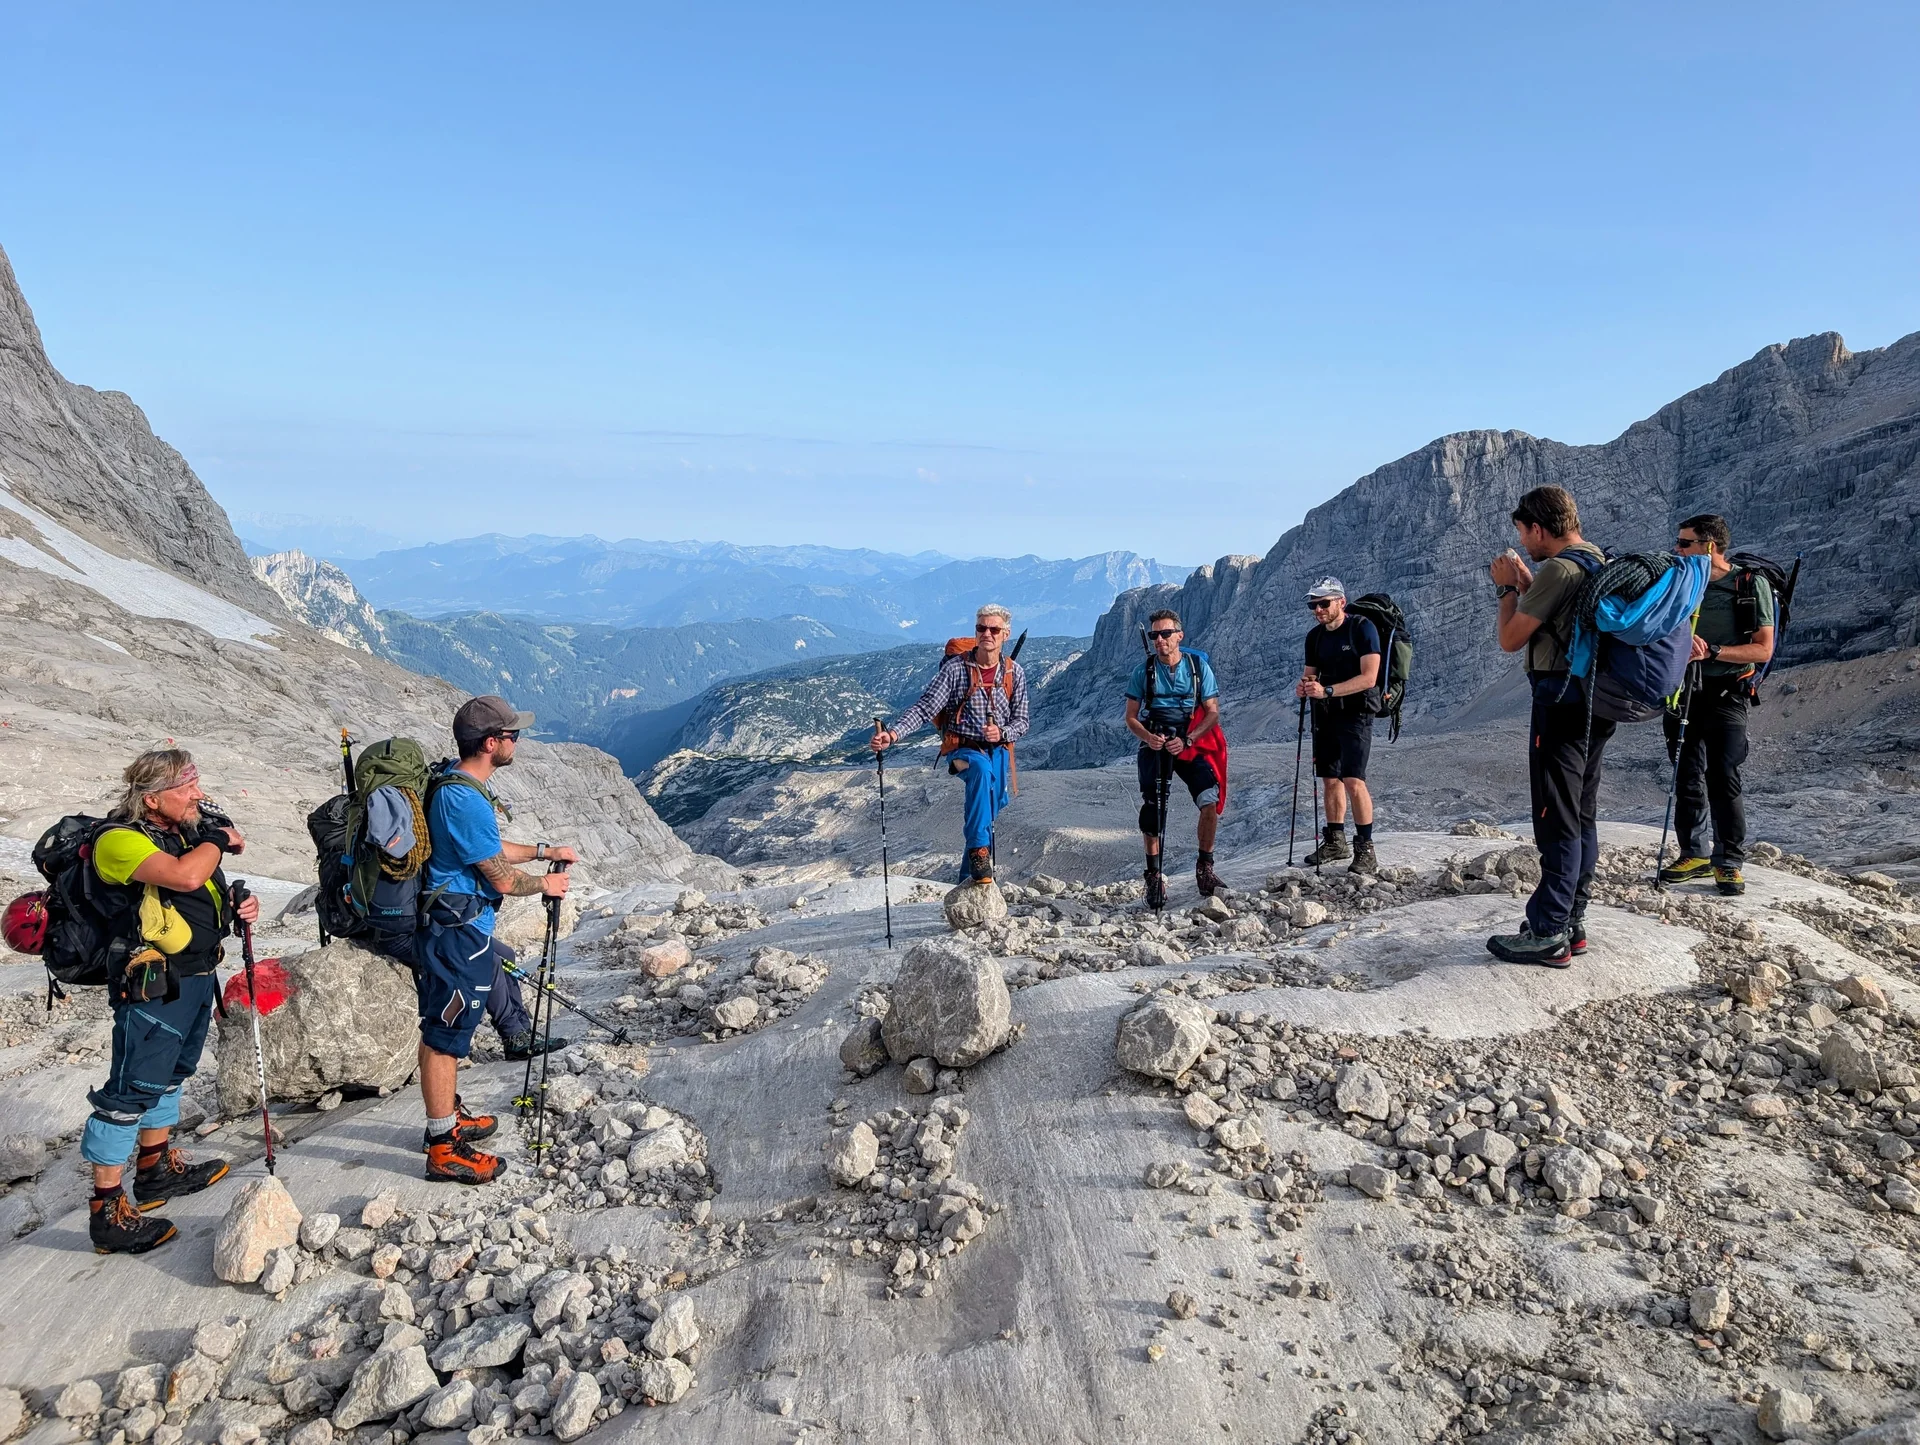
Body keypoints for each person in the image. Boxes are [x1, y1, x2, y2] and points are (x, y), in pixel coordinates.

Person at [81, 749, 259, 1254]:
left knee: (171, 1075)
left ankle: (156, 1170)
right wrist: (218, 840)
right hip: (151, 982)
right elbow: (184, 877)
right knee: (129, 1091)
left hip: (195, 976)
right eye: (186, 788)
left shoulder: (180, 835)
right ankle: (107, 1210)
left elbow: (197, 889)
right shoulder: (117, 841)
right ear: (151, 797)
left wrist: (240, 906)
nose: (197, 795)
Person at [415, 695, 575, 1184]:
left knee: (444, 1030)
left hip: (460, 926)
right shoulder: (463, 797)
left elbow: (488, 846)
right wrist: (545, 884)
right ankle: (443, 1148)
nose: (517, 742)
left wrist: (544, 850)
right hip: (456, 932)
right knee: (444, 1039)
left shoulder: (460, 787)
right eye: (512, 736)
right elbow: (500, 877)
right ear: (491, 744)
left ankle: (447, 1119)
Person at [1487, 485, 1610, 966]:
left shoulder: (1558, 568)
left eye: (1523, 531)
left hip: (1559, 700)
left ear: (1538, 528)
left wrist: (1506, 589)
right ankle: (1571, 918)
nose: (1522, 542)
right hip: (1595, 700)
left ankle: (1550, 932)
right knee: (1581, 811)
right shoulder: (1592, 558)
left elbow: (1511, 639)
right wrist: (1526, 582)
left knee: (1556, 815)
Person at [871, 604, 1031, 885]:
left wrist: (1003, 732)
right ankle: (980, 853)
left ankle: (968, 879)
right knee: (980, 772)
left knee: (993, 805)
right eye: (981, 628)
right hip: (962, 749)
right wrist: (893, 735)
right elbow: (925, 707)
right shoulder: (956, 669)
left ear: (1006, 634)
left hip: (999, 750)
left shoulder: (1013, 673)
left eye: (994, 629)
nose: (987, 634)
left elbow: (1022, 721)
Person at [1658, 514, 1775, 896]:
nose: (1677, 549)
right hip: (1683, 690)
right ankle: (1694, 854)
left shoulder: (1747, 584)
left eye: (1684, 543)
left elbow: (1763, 648)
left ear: (1709, 546)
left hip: (1727, 691)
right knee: (1686, 773)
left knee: (1723, 775)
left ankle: (1728, 861)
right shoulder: (1680, 580)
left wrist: (1714, 651)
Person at [1125, 609, 1224, 905]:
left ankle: (1205, 868)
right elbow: (1131, 717)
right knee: (1153, 808)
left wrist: (1189, 739)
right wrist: (1148, 737)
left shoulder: (1197, 667)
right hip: (1155, 740)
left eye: (1165, 634)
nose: (1159, 640)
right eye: (1155, 635)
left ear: (1179, 635)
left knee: (1210, 799)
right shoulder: (1143, 671)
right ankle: (1154, 879)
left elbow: (1213, 712)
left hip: (1187, 740)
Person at [1294, 578, 1381, 874]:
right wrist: (1306, 687)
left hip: (1356, 713)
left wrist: (1328, 691)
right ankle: (1335, 840)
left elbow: (1370, 678)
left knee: (1354, 780)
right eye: (1313, 605)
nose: (1317, 609)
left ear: (1341, 602)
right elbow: (1310, 674)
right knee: (1330, 778)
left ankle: (1366, 848)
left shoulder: (1362, 628)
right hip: (1326, 714)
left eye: (1323, 603)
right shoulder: (1314, 637)